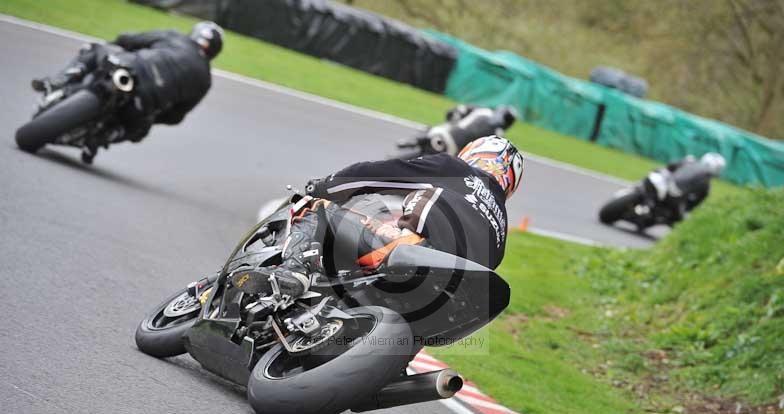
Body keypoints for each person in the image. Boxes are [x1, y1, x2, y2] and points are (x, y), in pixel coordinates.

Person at [233, 135, 524, 298]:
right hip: (446, 298)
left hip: (411, 255)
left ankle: (292, 272)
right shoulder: (501, 230)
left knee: (320, 211)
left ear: (475, 154)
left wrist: (326, 187)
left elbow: (379, 173)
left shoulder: (457, 170)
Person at [31, 21, 223, 150]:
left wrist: (116, 44)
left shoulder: (175, 37)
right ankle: (105, 137)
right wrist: (153, 117)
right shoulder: (205, 80)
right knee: (140, 130)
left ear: (193, 34)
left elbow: (130, 39)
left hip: (128, 68)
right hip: (144, 104)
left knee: (96, 48)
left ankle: (61, 80)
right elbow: (176, 117)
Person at [401, 105, 517, 156]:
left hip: (443, 132)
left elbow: (456, 111)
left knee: (432, 129)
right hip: (453, 150)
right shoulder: (498, 136)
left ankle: (414, 139)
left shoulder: (483, 110)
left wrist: (453, 117)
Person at [643, 152, 726, 219]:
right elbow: (696, 201)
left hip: (666, 183)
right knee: (679, 217)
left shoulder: (690, 160)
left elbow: (671, 166)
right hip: (674, 192)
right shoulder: (706, 182)